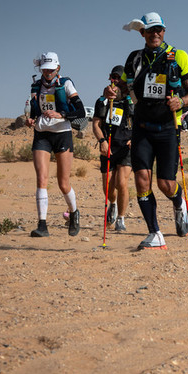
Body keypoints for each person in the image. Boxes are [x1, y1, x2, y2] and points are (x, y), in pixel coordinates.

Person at [119, 12, 188, 250]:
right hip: (141, 128)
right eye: (150, 30)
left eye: (159, 30)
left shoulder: (179, 56)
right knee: (141, 180)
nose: (155, 34)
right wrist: (113, 91)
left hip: (167, 128)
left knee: (166, 184)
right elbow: (123, 87)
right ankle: (155, 233)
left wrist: (181, 101)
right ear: (142, 33)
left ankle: (179, 202)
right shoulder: (134, 58)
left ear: (164, 32)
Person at [26, 52, 84, 238]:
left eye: (51, 69)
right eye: (45, 69)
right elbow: (34, 111)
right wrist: (30, 119)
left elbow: (81, 111)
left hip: (62, 134)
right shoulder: (36, 86)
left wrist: (62, 115)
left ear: (58, 68)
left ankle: (74, 213)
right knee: (41, 179)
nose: (48, 72)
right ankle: (42, 225)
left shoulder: (66, 84)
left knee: (63, 183)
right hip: (42, 134)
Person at [92, 65, 132, 232]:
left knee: (121, 183)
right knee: (108, 188)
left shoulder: (131, 100)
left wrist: (134, 138)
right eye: (112, 77)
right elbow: (96, 124)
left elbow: (140, 121)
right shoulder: (102, 101)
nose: (113, 81)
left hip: (125, 147)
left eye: (117, 78)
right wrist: (102, 141)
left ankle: (121, 219)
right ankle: (113, 204)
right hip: (107, 147)